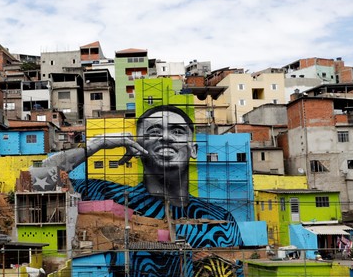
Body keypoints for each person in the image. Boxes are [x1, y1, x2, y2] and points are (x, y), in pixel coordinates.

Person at [31, 105, 242, 248]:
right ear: (138, 145)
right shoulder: (98, 193)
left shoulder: (221, 221)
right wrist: (97, 144)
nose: (166, 138)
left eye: (177, 131)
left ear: (193, 149)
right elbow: (40, 176)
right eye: (153, 132)